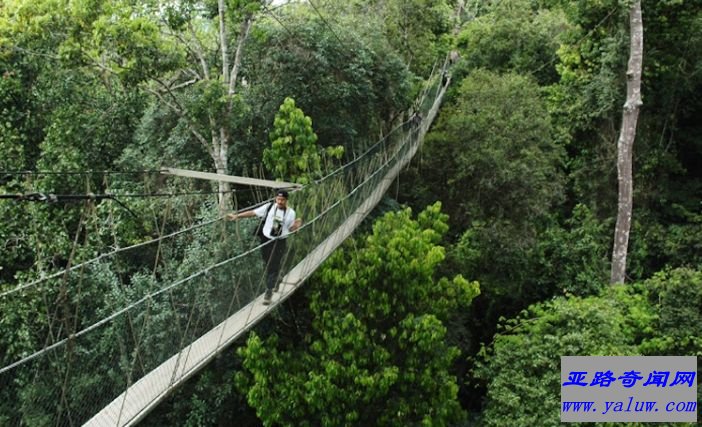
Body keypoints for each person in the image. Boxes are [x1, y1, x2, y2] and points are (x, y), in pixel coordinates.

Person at [227, 190, 302, 304]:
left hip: (280, 242)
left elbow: (290, 228)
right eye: (278, 199)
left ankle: (269, 291)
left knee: (273, 265)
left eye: (282, 200)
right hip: (266, 240)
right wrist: (237, 216)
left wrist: (297, 225)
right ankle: (277, 278)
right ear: (275, 199)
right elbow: (253, 212)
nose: (280, 202)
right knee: (268, 263)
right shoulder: (270, 207)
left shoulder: (291, 213)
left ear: (286, 200)